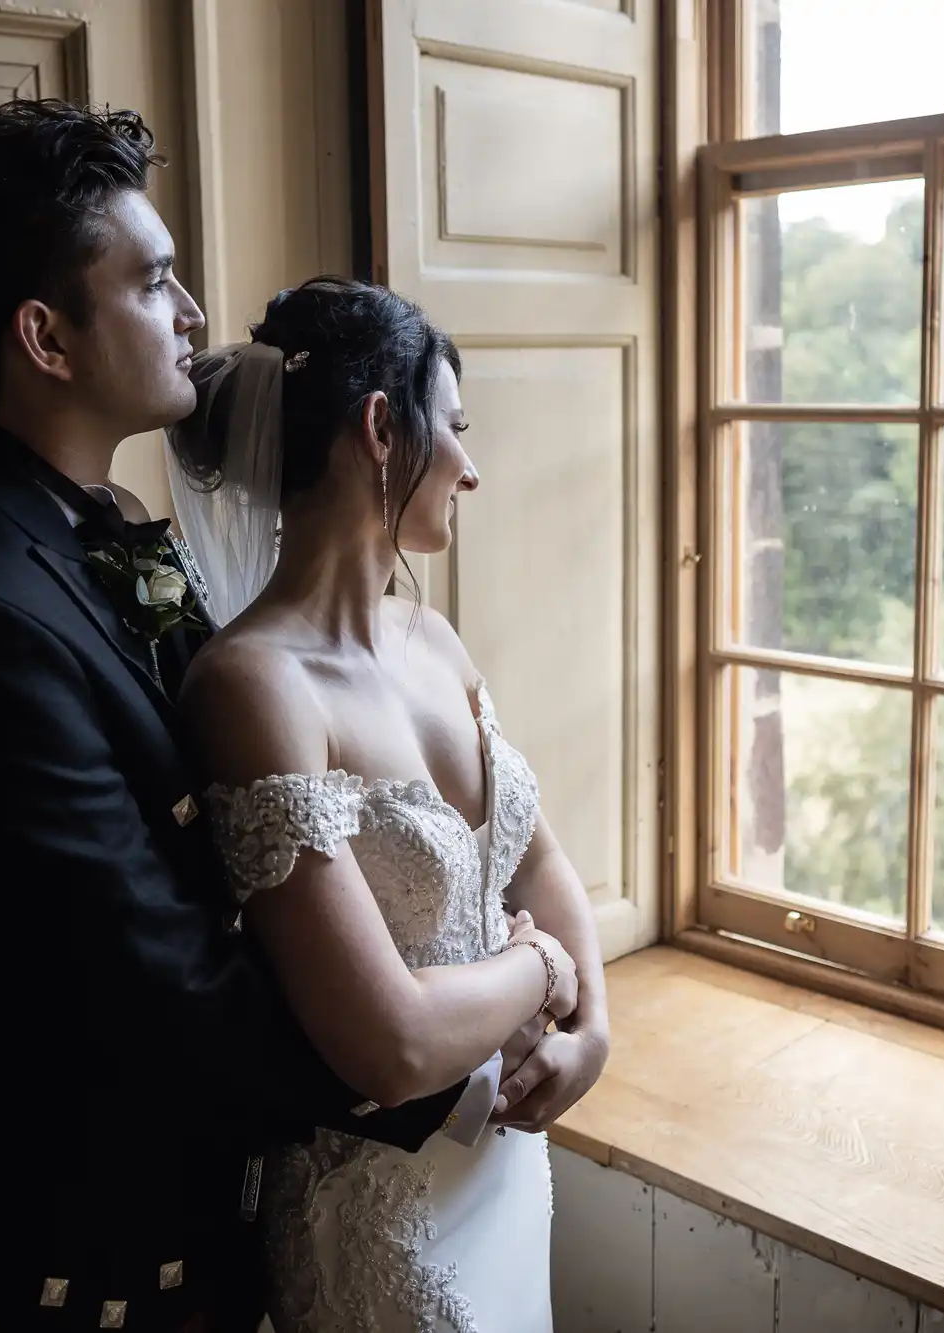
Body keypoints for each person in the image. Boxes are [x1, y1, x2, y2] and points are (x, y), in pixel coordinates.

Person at [0, 101, 579, 1331]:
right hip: (59, 1256)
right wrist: (473, 1027)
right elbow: (167, 987)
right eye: (155, 282)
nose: (191, 316)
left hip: (202, 1216)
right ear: (45, 337)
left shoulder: (111, 543)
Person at [167, 279, 612, 1332]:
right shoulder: (253, 687)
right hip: (377, 1211)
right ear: (380, 428)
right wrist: (545, 969)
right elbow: (392, 1044)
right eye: (452, 427)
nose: (471, 464)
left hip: (502, 1174)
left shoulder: (433, 641)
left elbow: (538, 859)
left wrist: (591, 1031)